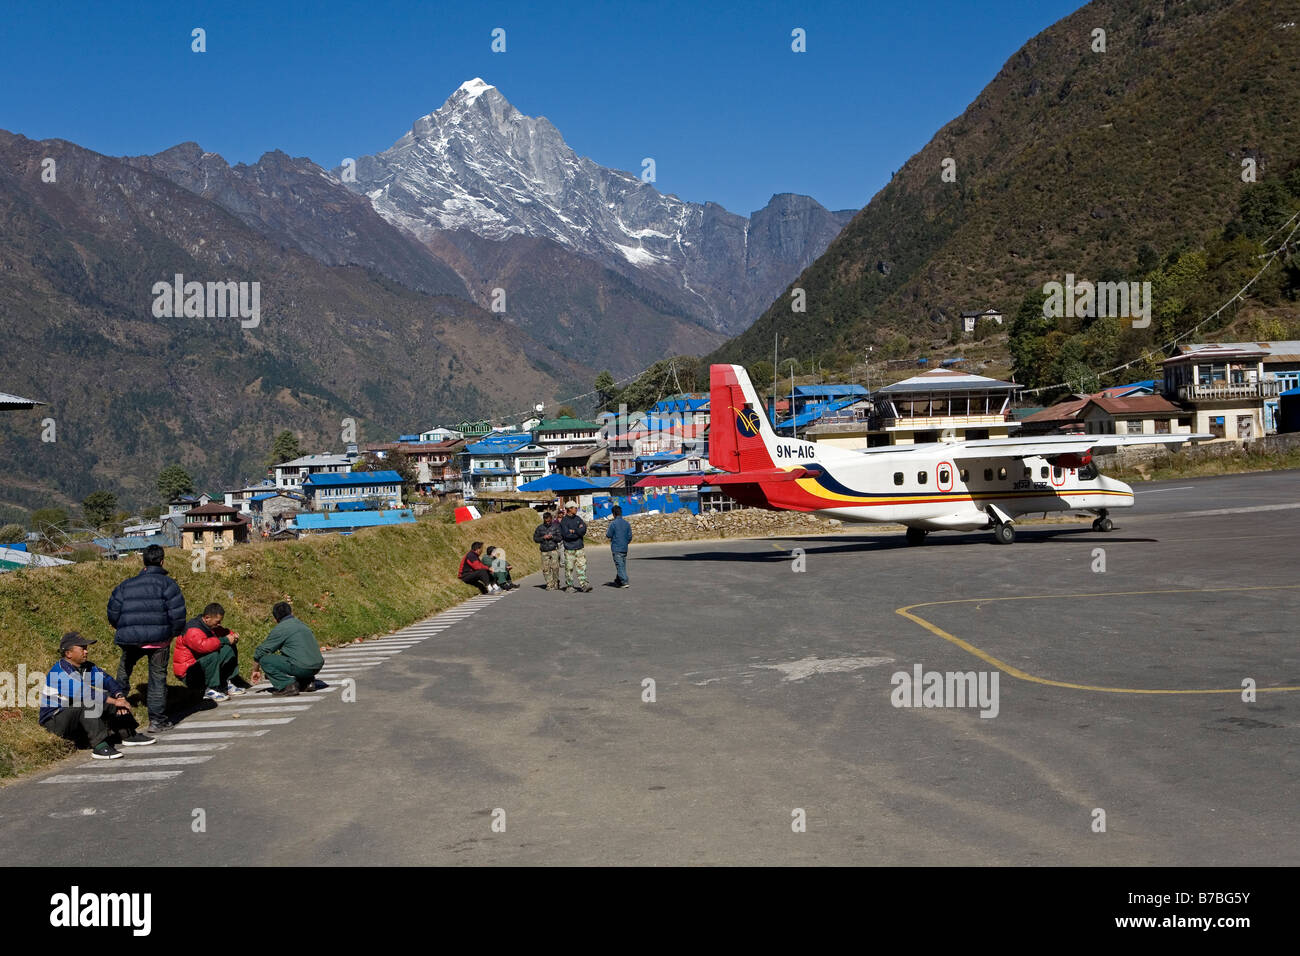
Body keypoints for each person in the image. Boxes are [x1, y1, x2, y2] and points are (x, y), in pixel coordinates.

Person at [107, 544, 186, 733]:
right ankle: (157, 721)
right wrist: (172, 633)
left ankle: (114, 707)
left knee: (124, 670)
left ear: (143, 561)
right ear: (162, 561)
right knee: (157, 678)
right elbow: (178, 615)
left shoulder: (126, 585)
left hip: (131, 639)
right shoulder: (168, 585)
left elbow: (113, 612)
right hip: (159, 641)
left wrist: (124, 628)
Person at [39, 632, 155, 759]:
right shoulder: (60, 672)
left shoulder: (86, 667)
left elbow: (107, 681)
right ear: (68, 653)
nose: (86, 651)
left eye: (86, 648)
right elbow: (85, 693)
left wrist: (119, 696)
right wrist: (115, 702)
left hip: (73, 713)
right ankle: (100, 746)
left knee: (109, 696)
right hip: (54, 720)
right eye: (82, 648)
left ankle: (128, 734)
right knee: (88, 704)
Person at [250, 602, 324, 697]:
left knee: (265, 660)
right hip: (317, 665)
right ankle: (307, 682)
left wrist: (256, 670)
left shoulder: (281, 628)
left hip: (302, 667)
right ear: (291, 612)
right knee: (295, 655)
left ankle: (288, 686)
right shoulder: (302, 624)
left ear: (275, 619)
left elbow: (261, 652)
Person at [174, 602, 243, 702]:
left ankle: (224, 684)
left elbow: (225, 632)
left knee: (228, 648)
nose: (219, 624)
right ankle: (210, 690)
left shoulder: (210, 626)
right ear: (207, 618)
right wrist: (225, 640)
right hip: (188, 673)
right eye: (217, 622)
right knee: (213, 653)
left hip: (200, 666)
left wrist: (233, 636)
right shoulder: (192, 630)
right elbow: (203, 646)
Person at [558, 500, 592, 593]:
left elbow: (583, 530)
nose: (576, 509)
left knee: (582, 566)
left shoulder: (578, 518)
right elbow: (566, 535)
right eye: (575, 508)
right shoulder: (564, 521)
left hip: (579, 547)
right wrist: (578, 531)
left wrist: (574, 531)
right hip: (569, 548)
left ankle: (584, 584)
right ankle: (569, 586)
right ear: (569, 509)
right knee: (569, 568)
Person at [533, 511, 562, 590]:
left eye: (549, 520)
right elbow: (535, 539)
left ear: (551, 519)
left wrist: (552, 537)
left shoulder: (556, 527)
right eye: (546, 520)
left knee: (555, 568)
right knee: (546, 569)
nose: (547, 522)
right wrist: (543, 538)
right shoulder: (539, 528)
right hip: (544, 551)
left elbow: (560, 538)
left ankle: (556, 582)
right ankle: (549, 584)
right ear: (544, 519)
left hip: (554, 550)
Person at [605, 505, 633, 588]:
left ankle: (624, 581)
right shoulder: (626, 523)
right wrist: (625, 542)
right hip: (624, 547)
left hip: (616, 548)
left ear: (613, 514)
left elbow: (608, 535)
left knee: (620, 565)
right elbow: (630, 536)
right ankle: (618, 580)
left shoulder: (613, 524)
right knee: (622, 564)